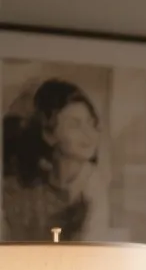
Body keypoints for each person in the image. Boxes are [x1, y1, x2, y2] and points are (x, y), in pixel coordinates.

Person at [3, 78, 108, 242]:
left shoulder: (94, 187)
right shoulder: (23, 187)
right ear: (49, 134)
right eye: (74, 125)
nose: (88, 133)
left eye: (91, 123)